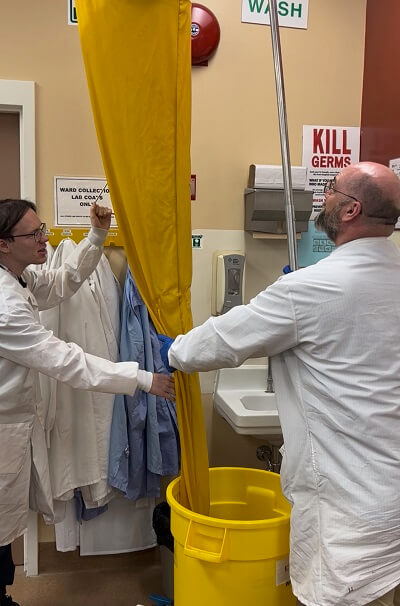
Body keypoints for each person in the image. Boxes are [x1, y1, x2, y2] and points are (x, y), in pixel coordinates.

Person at [160, 162, 400, 606]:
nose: (321, 197)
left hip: (346, 513)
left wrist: (172, 350)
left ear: (350, 210)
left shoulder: (310, 289)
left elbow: (219, 343)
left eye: (329, 189)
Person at [0, 199, 175, 606]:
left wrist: (97, 235)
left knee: (4, 525)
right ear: (4, 244)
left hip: (13, 424)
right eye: (34, 234)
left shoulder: (18, 278)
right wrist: (141, 377)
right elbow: (65, 361)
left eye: (41, 228)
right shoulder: (6, 307)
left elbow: (61, 281)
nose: (44, 238)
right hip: (4, 427)